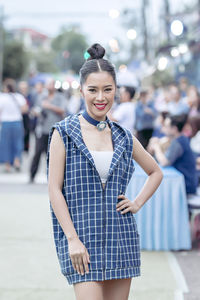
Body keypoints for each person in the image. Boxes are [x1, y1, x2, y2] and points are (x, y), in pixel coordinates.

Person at [47, 43, 163, 300]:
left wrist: (136, 203)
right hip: (82, 240)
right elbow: (54, 189)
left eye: (107, 90)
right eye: (93, 90)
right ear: (81, 91)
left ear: (116, 91)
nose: (101, 97)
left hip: (120, 239)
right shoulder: (63, 133)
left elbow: (155, 172)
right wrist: (72, 239)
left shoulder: (124, 136)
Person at [29, 78, 67, 183]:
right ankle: (32, 175)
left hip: (54, 129)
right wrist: (35, 112)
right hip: (41, 128)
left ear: (54, 86)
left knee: (52, 154)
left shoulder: (60, 97)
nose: (48, 86)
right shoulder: (41, 97)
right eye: (47, 84)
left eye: (50, 84)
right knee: (37, 152)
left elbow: (62, 110)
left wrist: (49, 106)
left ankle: (52, 177)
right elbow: (36, 108)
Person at [151, 114, 198, 196]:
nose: (163, 128)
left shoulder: (178, 142)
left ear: (174, 129)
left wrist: (156, 146)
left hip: (185, 185)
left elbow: (164, 162)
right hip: (186, 181)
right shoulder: (181, 139)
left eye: (166, 126)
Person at [0, 78, 28, 172]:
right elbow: (25, 109)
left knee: (6, 143)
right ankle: (16, 162)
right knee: (18, 142)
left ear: (6, 88)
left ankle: (7, 165)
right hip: (17, 122)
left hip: (6, 122)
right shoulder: (19, 97)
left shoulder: (2, 97)